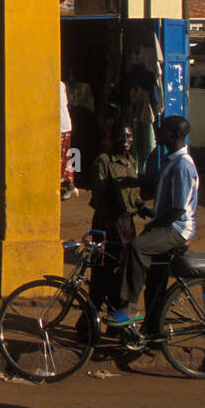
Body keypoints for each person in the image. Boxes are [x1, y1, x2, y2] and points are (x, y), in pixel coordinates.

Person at [108, 116, 198, 326]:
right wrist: (135, 182)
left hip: (177, 228)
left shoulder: (182, 166)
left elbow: (178, 209)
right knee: (156, 284)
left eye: (163, 130)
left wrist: (153, 225)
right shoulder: (170, 159)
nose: (157, 133)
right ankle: (154, 332)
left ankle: (129, 306)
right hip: (168, 225)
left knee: (137, 247)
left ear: (174, 135)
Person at [88, 122, 153, 310]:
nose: (125, 140)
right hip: (107, 225)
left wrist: (146, 210)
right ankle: (88, 324)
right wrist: (111, 223)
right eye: (121, 136)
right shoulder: (104, 161)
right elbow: (100, 196)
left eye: (129, 136)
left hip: (127, 226)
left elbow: (135, 197)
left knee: (123, 275)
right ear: (113, 137)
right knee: (102, 275)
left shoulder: (131, 162)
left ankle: (117, 323)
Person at [60, 80, 77, 199]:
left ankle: (68, 185)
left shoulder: (52, 85)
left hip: (59, 126)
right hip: (64, 125)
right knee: (66, 157)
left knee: (61, 158)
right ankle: (70, 185)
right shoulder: (61, 84)